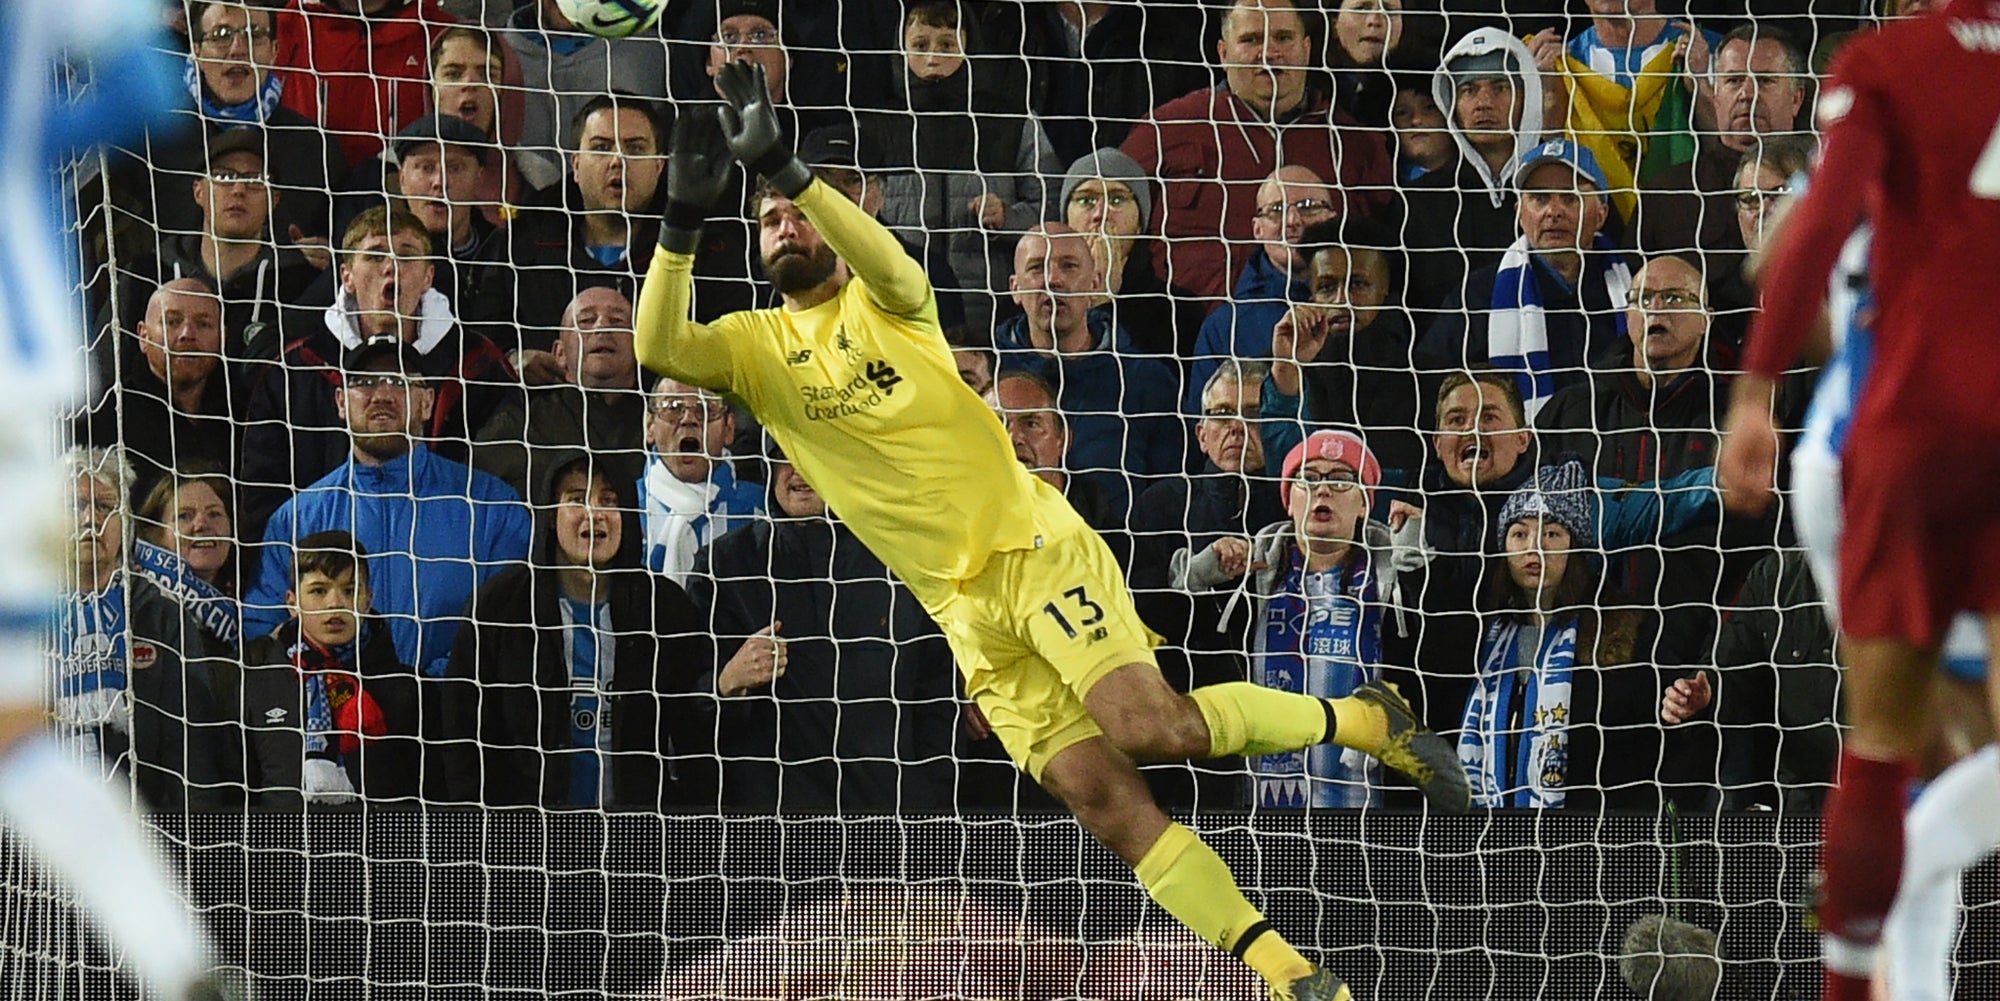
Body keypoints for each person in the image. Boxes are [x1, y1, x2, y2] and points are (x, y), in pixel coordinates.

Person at [634, 60, 1469, 1001]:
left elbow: (889, 260)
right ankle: (1290, 974)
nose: (783, 227)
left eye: (794, 217)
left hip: (1030, 547)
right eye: (768, 223)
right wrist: (680, 221)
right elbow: (660, 346)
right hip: (961, 607)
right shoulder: (750, 346)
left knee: (1153, 727)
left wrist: (788, 171)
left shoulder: (888, 303)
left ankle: (1363, 718)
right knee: (1105, 800)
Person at [1716, 3, 2000, 995]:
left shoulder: (1889, 73)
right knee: (1947, 731)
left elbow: (1771, 260)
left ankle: (1884, 943)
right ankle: (1881, 889)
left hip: (1862, 444)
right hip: (1911, 434)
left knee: (1914, 738)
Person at [0, 5, 227, 992]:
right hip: (23, 393)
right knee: (18, 736)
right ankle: (184, 969)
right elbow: (149, 90)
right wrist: (32, 139)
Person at [440, 454, 718, 808]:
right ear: (551, 517)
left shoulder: (665, 609)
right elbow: (462, 730)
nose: (594, 513)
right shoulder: (498, 607)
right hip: (526, 837)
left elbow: (692, 729)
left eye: (608, 501)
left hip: (635, 835)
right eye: (576, 499)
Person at [245, 337, 532, 680]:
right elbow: (263, 630)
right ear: (340, 402)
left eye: (399, 382)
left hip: (457, 719)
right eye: (364, 383)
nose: (381, 395)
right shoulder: (295, 518)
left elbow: (511, 626)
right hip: (331, 721)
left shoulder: (492, 507)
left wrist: (432, 689)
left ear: (427, 402)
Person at [691, 445, 958, 812]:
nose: (797, 470)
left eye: (812, 452)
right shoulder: (725, 564)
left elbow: (937, 691)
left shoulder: (903, 562)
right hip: (772, 829)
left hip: (887, 819)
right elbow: (684, 705)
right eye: (784, 455)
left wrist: (926, 798)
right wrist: (728, 683)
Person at [236, 206, 517, 542]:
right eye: (374, 256)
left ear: (429, 277)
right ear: (347, 277)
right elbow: (263, 493)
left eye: (407, 256)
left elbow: (508, 476)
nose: (390, 268)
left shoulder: (480, 366)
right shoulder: (294, 371)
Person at [1171, 432, 1411, 809]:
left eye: (1341, 480)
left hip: (1371, 811)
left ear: (1365, 503)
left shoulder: (1396, 582)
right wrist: (1200, 576)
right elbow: (1164, 630)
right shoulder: (1245, 579)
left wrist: (1419, 566)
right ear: (1289, 501)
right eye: (1309, 478)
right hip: (1260, 815)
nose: (1323, 491)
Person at [1119, 0, 1393, 305]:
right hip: (1183, 339)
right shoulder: (1166, 129)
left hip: (1323, 337)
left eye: (1283, 38)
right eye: (1251, 39)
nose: (1269, 52)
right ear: (1223, 53)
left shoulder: (1357, 143)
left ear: (1306, 47)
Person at [1457, 469, 1654, 809]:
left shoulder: (1624, 630)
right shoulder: (1481, 634)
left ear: (1575, 547)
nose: (1534, 547)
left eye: (1551, 533)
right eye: (1519, 534)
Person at [1419, 140, 1634, 420]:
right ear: (1520, 213)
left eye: (1570, 198)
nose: (1554, 211)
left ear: (1602, 214)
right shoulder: (1478, 295)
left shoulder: (1639, 288)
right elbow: (1432, 385)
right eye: (1540, 198)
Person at [238, 531, 421, 805]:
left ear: (368, 601)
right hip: (283, 844)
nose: (335, 603)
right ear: (292, 603)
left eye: (350, 590)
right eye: (319, 590)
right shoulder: (257, 684)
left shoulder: (408, 688)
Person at [473, 285, 650, 500]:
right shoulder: (519, 425)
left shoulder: (662, 422)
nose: (602, 327)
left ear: (639, 346)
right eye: (586, 321)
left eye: (617, 321)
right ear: (560, 354)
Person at [1183, 166, 1332, 418]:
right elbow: (1205, 429)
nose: (1293, 220)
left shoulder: (1366, 306)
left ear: (1332, 218)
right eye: (1276, 210)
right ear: (1257, 229)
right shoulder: (1224, 328)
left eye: (1307, 206)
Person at [636, 380, 765, 579]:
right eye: (673, 408)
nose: (689, 420)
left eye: (705, 409)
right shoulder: (622, 507)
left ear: (729, 428)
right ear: (649, 427)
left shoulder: (761, 509)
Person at [132, 471, 243, 650]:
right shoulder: (139, 600)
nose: (201, 524)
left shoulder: (251, 599)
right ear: (156, 534)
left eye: (214, 514)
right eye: (184, 516)